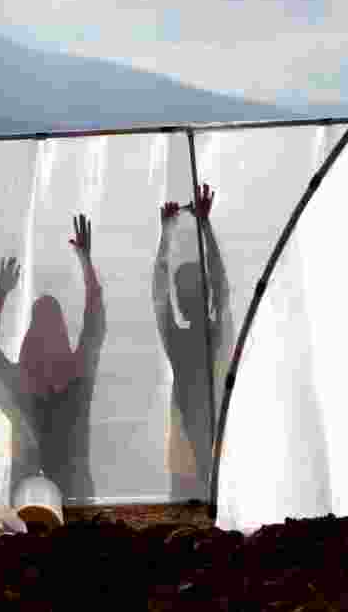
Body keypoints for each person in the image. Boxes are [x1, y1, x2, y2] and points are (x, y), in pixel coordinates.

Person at [0, 214, 107, 501]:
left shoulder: (18, 384)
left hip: (28, 505)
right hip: (76, 501)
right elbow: (95, 323)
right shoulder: (78, 376)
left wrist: (0, 294)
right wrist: (86, 264)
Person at [154, 183, 233, 499]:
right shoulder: (209, 335)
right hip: (198, 438)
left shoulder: (189, 338)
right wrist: (202, 225)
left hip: (196, 439)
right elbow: (219, 283)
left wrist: (169, 232)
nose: (188, 295)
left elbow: (161, 287)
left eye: (190, 288)